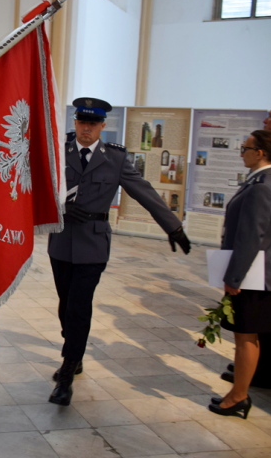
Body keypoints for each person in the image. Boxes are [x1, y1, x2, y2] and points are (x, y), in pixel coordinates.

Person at [47, 97, 192, 406]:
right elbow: (39, 188)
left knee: (78, 306)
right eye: (81, 122)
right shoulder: (59, 152)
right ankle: (74, 348)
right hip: (61, 241)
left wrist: (173, 227)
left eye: (92, 124)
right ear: (75, 123)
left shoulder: (115, 159)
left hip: (93, 244)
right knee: (64, 305)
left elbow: (145, 192)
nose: (86, 128)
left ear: (102, 126)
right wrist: (59, 209)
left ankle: (68, 372)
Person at [208, 130, 271, 418]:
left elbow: (251, 237)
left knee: (245, 337)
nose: (242, 153)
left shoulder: (261, 186)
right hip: (263, 272)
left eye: (245, 148)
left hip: (254, 275)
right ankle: (240, 392)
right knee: (250, 335)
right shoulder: (263, 181)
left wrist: (234, 279)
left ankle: (238, 397)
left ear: (260, 153)